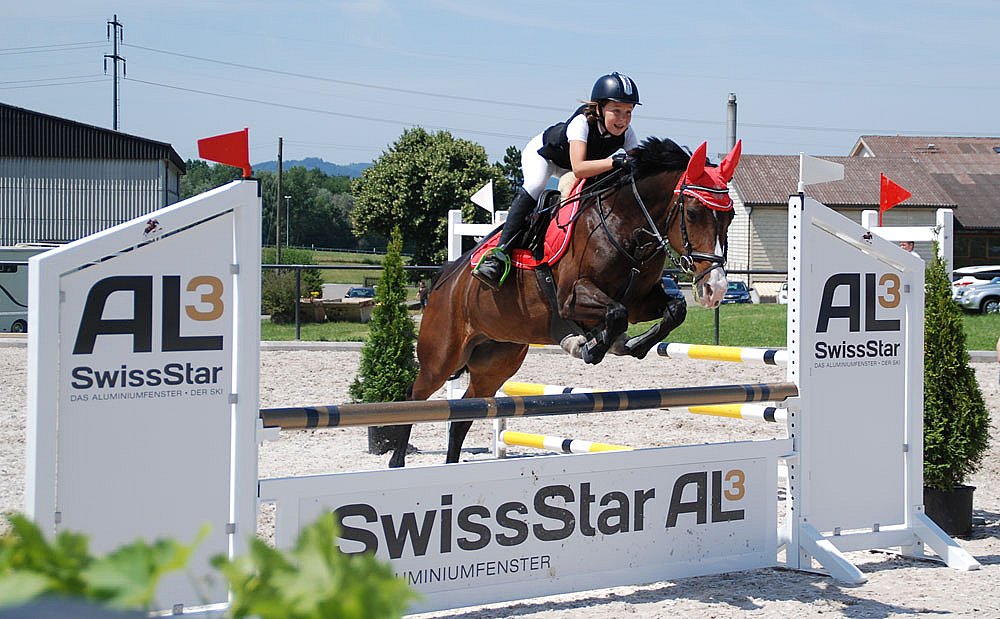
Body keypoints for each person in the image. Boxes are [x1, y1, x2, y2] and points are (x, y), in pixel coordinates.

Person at [472, 72, 642, 290]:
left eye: (628, 112)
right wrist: (615, 162)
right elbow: (579, 168)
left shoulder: (628, 133)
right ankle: (499, 255)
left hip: (575, 167)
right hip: (545, 157)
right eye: (616, 111)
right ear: (599, 108)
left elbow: (637, 164)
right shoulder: (581, 123)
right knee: (535, 186)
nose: (623, 119)